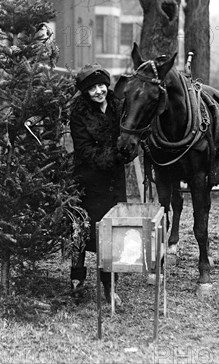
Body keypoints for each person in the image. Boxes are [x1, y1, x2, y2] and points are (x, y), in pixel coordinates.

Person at [69, 64, 134, 303]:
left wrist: (129, 152)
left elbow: (129, 136)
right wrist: (116, 155)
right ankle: (77, 279)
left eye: (102, 85)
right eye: (92, 88)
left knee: (113, 233)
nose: (99, 91)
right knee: (82, 230)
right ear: (85, 92)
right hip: (88, 181)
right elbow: (84, 150)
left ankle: (110, 286)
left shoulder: (118, 106)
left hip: (115, 182)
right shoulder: (79, 112)